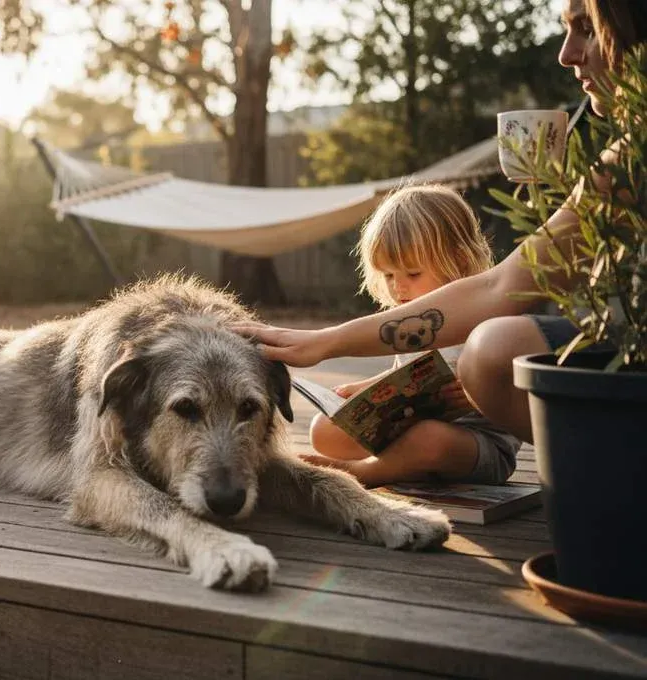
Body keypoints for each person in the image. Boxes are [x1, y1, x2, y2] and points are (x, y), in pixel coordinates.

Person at [232, 0, 647, 446]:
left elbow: (499, 293)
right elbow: (500, 287)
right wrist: (326, 342)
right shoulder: (623, 160)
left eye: (587, 28)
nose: (566, 54)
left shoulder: (628, 164)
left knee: (494, 350)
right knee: (491, 349)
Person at [303, 184, 523, 486]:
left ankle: (364, 472)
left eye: (413, 274)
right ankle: (400, 464)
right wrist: (360, 390)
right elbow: (404, 378)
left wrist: (478, 397)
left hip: (476, 444)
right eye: (389, 275)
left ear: (458, 261)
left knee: (429, 439)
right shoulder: (410, 326)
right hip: (408, 424)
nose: (397, 287)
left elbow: (517, 397)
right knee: (324, 429)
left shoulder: (484, 316)